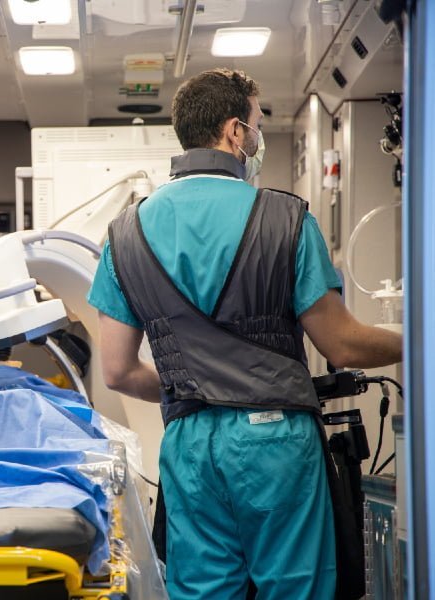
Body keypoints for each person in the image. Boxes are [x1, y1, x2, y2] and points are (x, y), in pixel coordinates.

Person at [88, 68, 402, 599]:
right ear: (235, 132)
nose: (257, 138)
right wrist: (414, 340)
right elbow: (342, 344)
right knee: (293, 588)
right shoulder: (285, 218)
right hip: (275, 440)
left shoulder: (124, 235)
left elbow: (117, 370)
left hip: (188, 445)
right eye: (257, 124)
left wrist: (189, 385)